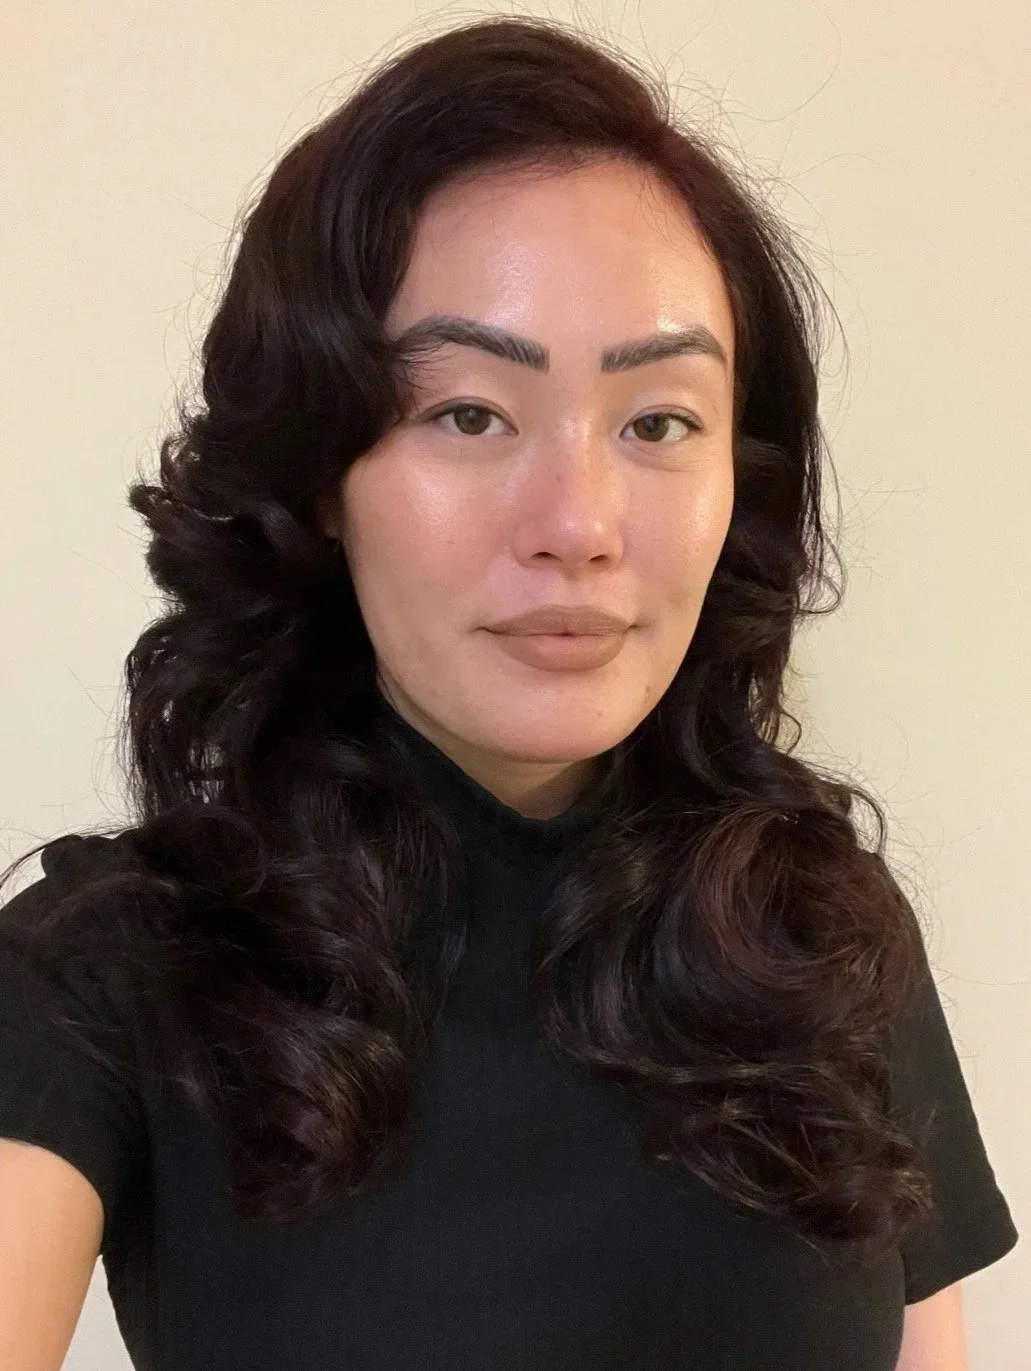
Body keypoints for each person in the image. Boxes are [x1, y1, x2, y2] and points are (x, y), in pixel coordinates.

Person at [0, 14, 1017, 1371]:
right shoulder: (108, 968)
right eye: (469, 413)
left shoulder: (821, 933)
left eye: (658, 422)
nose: (579, 521)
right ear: (322, 472)